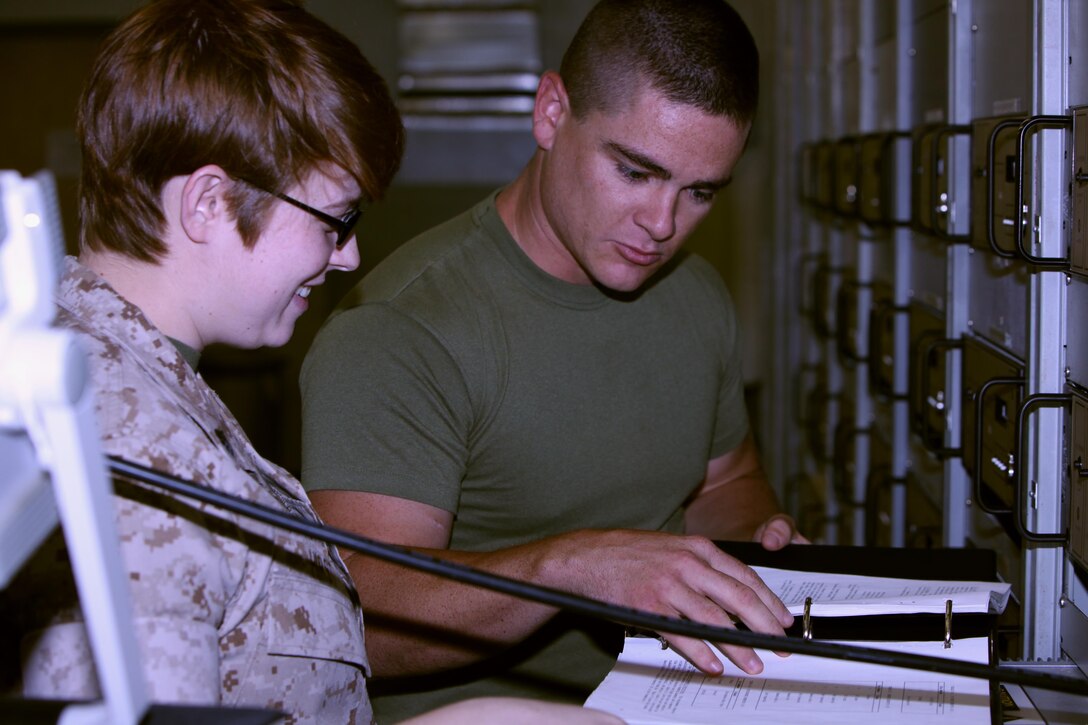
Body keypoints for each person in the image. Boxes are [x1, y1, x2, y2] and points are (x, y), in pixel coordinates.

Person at [2, 1, 620, 723]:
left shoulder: (124, 377)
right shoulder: (128, 448)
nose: (349, 254)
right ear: (208, 201)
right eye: (335, 219)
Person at [299, 0, 805, 720]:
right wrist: (574, 571)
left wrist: (755, 546)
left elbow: (728, 480)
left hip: (683, 700)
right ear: (550, 112)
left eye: (698, 192)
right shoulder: (401, 330)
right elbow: (363, 624)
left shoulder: (695, 294)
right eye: (635, 171)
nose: (662, 225)